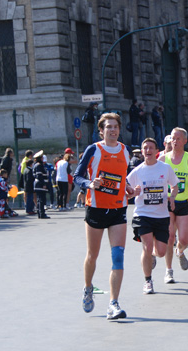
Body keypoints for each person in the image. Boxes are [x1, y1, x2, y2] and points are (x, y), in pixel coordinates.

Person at [74, 112, 135, 320]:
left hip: (118, 209)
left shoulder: (125, 151)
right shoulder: (94, 149)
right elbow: (78, 176)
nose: (112, 130)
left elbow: (122, 177)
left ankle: (113, 303)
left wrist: (128, 188)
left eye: (115, 126)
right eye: (108, 127)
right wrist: (89, 184)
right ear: (101, 131)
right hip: (96, 209)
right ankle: (88, 287)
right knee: (93, 255)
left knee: (118, 256)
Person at [128, 138, 179, 294]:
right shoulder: (137, 171)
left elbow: (175, 186)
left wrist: (172, 197)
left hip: (162, 215)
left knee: (161, 251)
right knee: (147, 246)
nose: (148, 150)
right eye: (145, 148)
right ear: (142, 152)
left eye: (151, 148)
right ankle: (148, 281)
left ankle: (152, 256)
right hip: (142, 214)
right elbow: (126, 193)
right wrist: (132, 193)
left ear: (157, 151)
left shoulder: (165, 168)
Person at [158, 128, 188, 283]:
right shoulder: (163, 159)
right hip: (167, 202)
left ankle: (180, 252)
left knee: (184, 240)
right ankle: (168, 271)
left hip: (184, 203)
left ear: (184, 141)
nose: (174, 141)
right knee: (169, 237)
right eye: (173, 139)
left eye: (178, 139)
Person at [33, 151, 50, 219]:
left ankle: (40, 213)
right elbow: (39, 175)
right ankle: (42, 213)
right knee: (41, 200)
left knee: (40, 200)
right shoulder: (39, 165)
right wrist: (43, 184)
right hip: (40, 185)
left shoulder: (37, 165)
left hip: (39, 185)